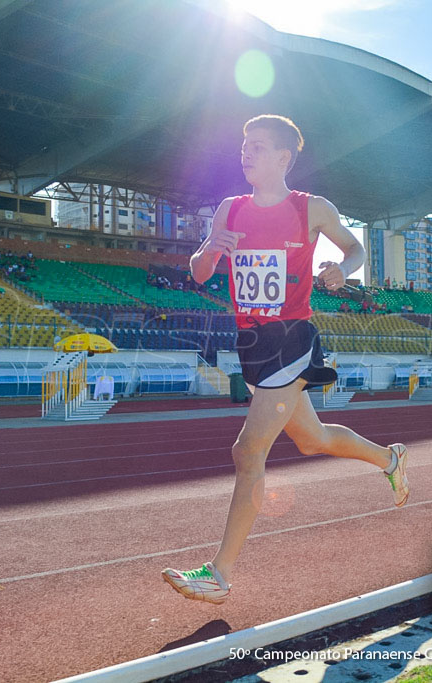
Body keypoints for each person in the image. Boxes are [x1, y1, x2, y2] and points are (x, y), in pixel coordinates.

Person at [162, 115, 409, 605]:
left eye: (256, 147)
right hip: (251, 344)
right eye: (243, 145)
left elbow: (355, 247)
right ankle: (390, 458)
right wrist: (211, 249)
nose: (245, 153)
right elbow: (198, 272)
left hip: (292, 340)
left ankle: (220, 574)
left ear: (282, 158)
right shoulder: (229, 211)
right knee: (312, 439)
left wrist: (343, 268)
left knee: (247, 451)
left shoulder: (311, 208)